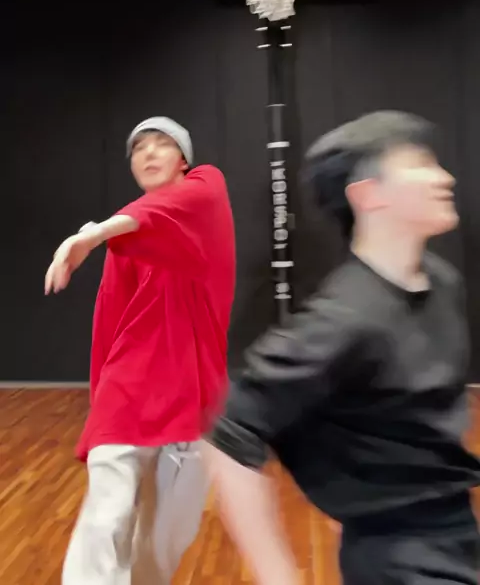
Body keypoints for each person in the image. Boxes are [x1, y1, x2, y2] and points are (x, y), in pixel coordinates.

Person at [202, 110, 480, 585]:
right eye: (420, 164)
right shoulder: (342, 320)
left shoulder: (442, 282)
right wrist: (279, 576)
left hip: (456, 533)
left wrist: (350, 478)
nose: (444, 177)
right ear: (368, 195)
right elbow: (229, 437)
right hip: (404, 563)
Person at [45, 116, 236, 585]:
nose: (148, 153)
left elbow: (172, 209)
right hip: (127, 393)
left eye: (161, 144)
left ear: (184, 159)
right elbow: (109, 328)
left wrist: (93, 233)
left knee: (160, 544)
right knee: (104, 520)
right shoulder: (123, 242)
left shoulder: (207, 187)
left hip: (193, 398)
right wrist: (99, 405)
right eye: (138, 148)